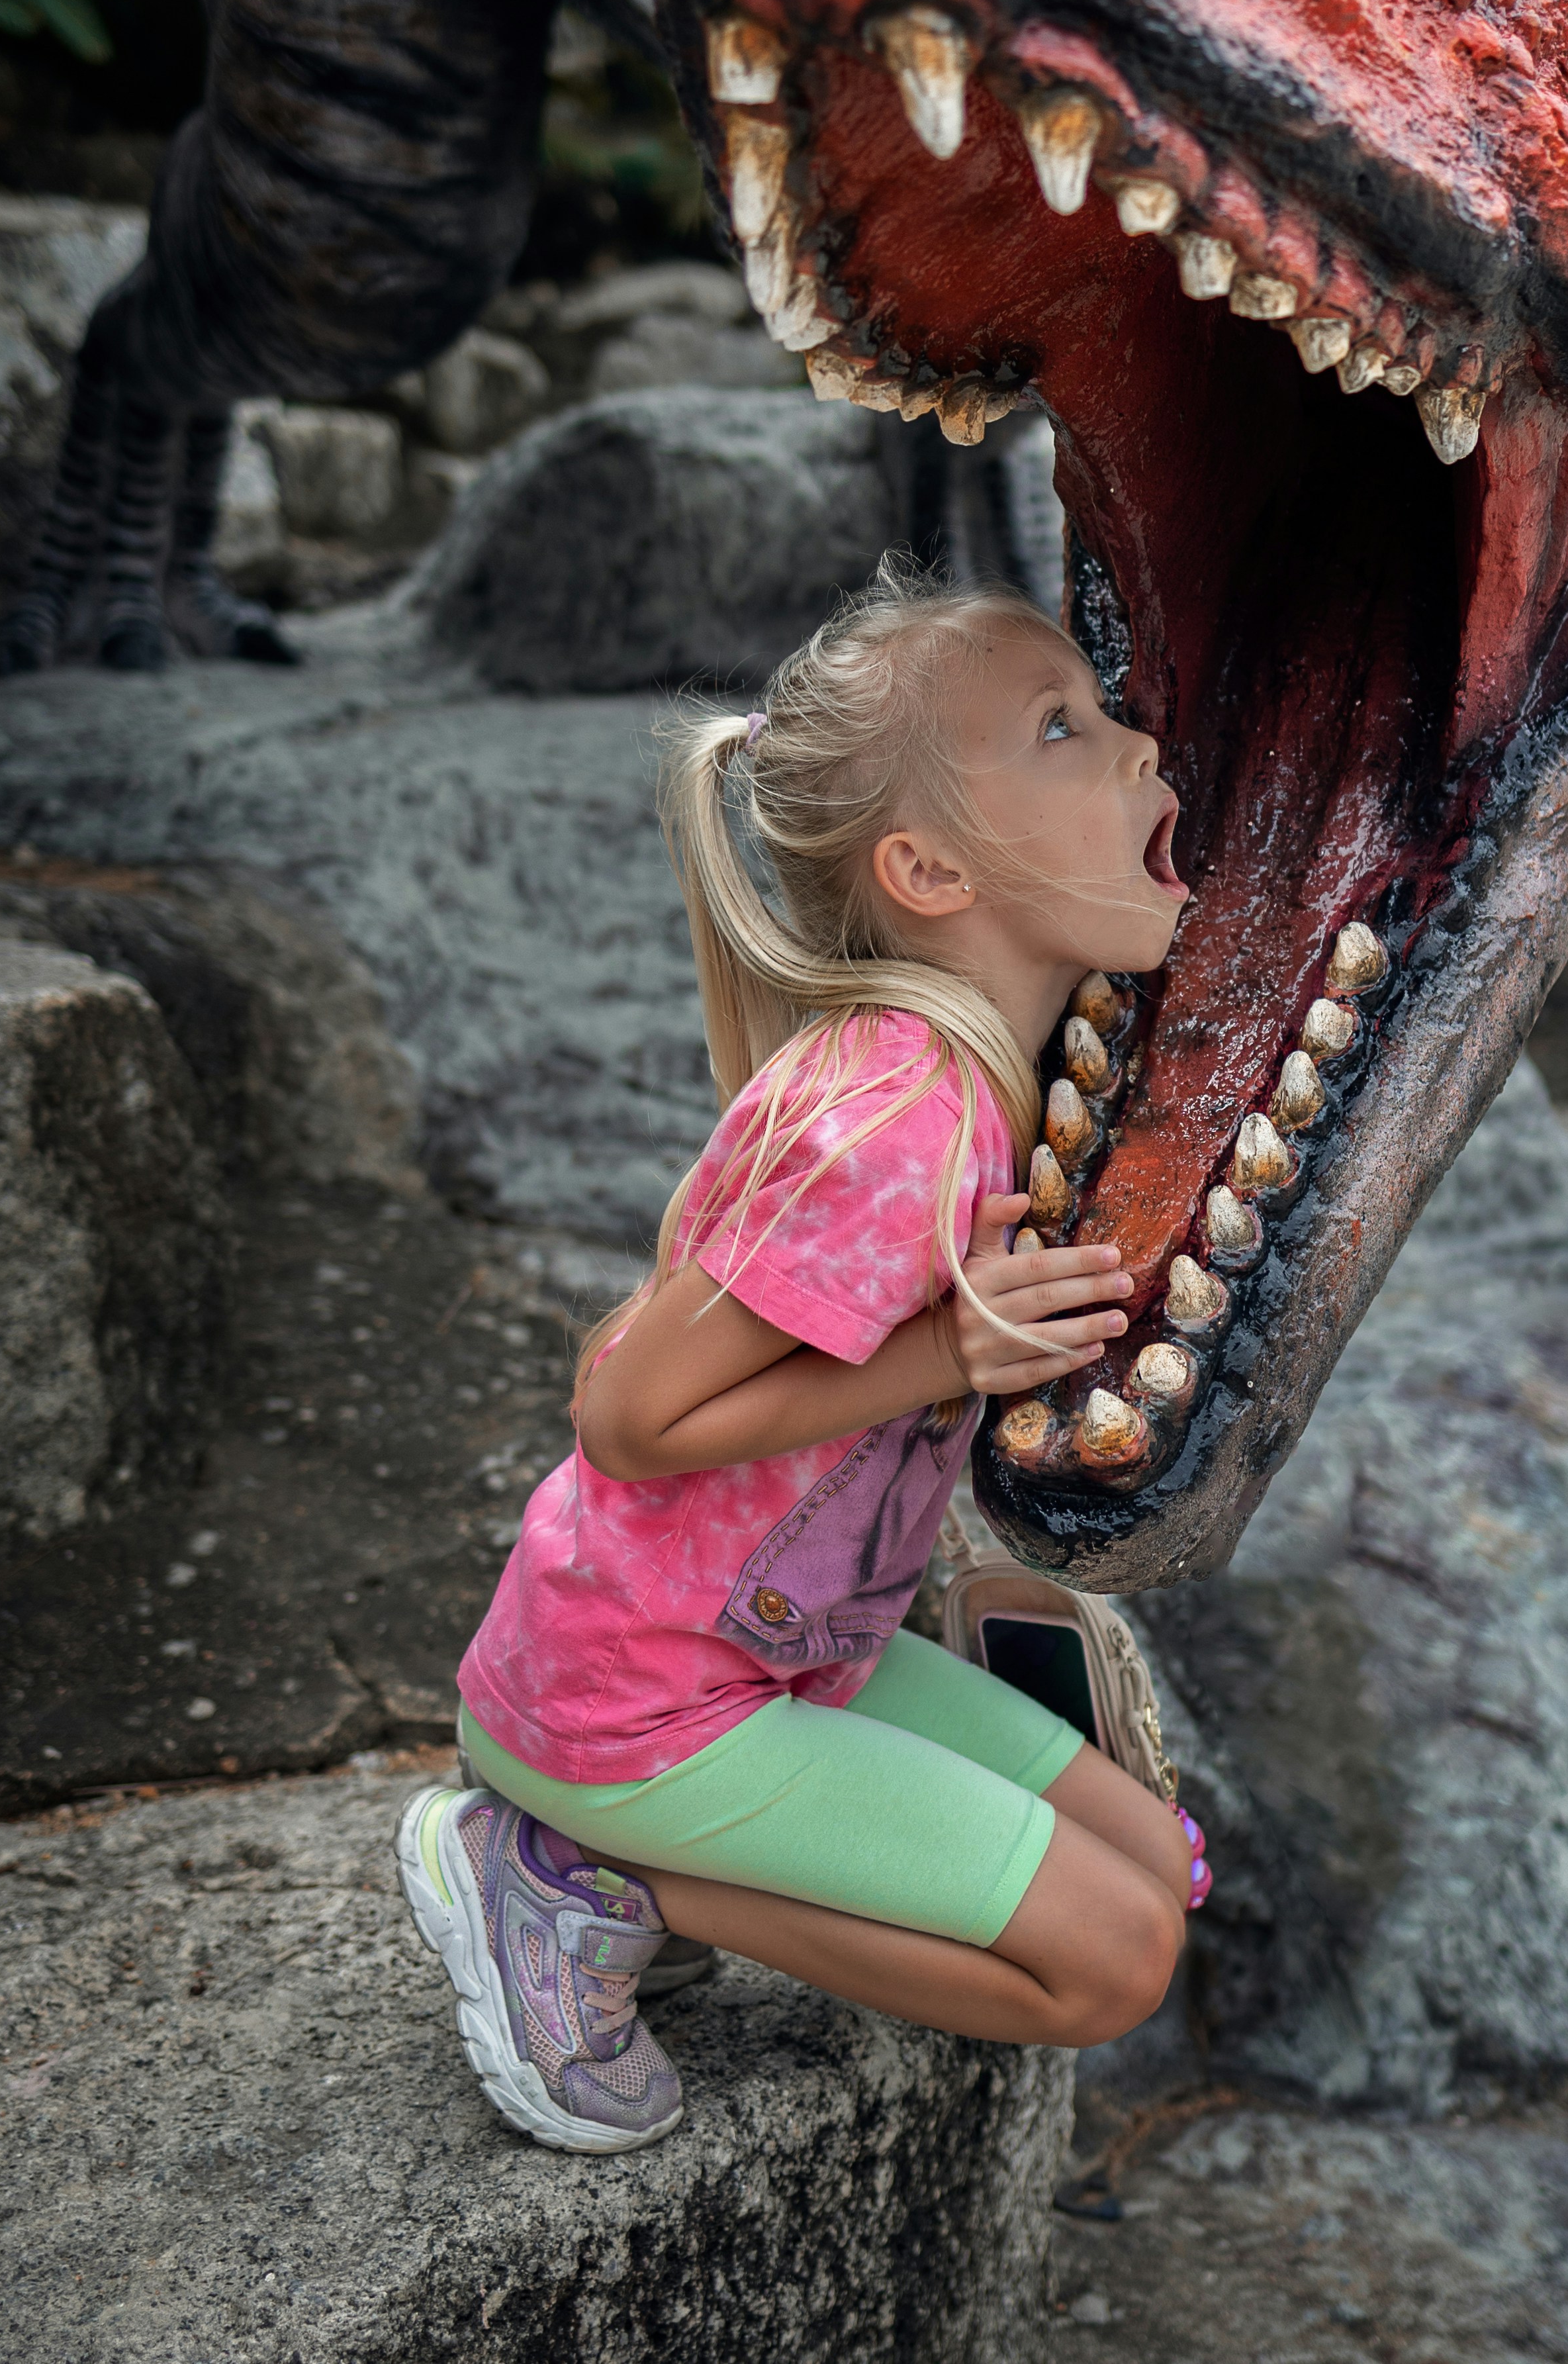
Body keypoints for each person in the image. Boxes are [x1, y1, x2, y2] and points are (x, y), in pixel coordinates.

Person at [397, 566, 1207, 2153]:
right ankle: (574, 1876)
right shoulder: (898, 1123)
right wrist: (945, 1355)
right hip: (645, 1702)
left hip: (782, 1650)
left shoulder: (978, 1079)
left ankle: (885, 1715)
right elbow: (625, 1416)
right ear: (925, 868)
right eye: (1064, 727)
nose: (1133, 744)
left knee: (1158, 1857)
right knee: (1119, 1963)